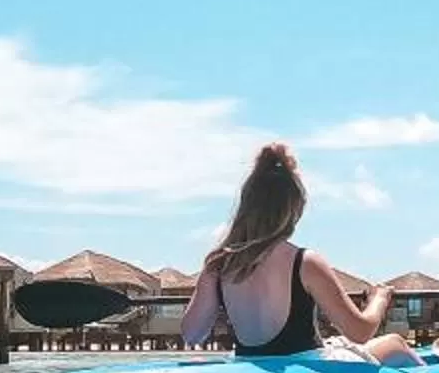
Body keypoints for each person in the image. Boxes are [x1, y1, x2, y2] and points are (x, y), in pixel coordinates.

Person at [176, 143, 415, 361]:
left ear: (246, 206)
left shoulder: (218, 265)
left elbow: (193, 334)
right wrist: (379, 299)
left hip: (248, 366)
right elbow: (360, 332)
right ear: (293, 210)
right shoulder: (305, 262)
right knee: (394, 344)